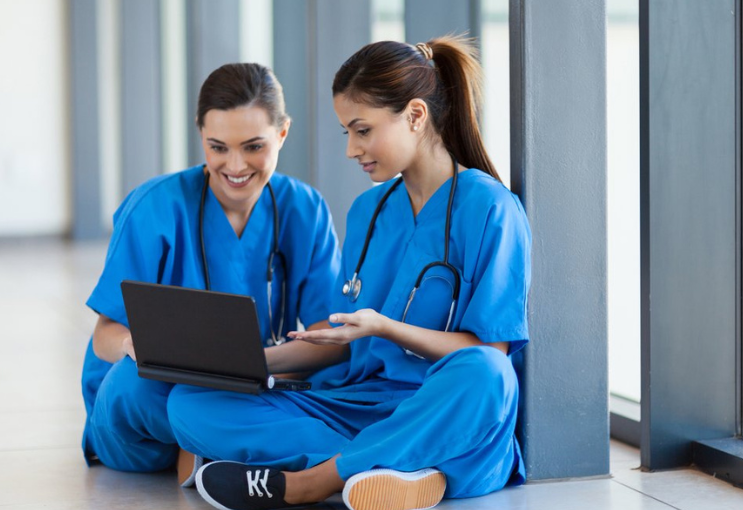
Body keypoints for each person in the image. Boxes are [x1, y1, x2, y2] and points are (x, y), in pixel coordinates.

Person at [168, 35, 532, 510]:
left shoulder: (492, 209)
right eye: (347, 133)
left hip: (439, 403)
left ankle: (312, 481)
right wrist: (247, 363)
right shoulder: (369, 211)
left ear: (416, 116)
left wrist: (385, 327)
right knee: (189, 401)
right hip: (356, 404)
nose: (351, 149)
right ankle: (396, 468)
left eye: (362, 130)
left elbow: (489, 349)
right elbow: (344, 344)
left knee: (488, 375)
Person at [80, 63, 341, 486]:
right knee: (134, 384)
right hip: (153, 401)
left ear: (283, 133)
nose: (235, 166)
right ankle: (243, 449)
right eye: (218, 147)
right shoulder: (154, 207)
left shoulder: (305, 209)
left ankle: (217, 451)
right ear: (200, 134)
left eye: (253, 146)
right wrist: (142, 348)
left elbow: (327, 340)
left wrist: (255, 369)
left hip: (256, 383)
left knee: (342, 379)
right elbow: (104, 336)